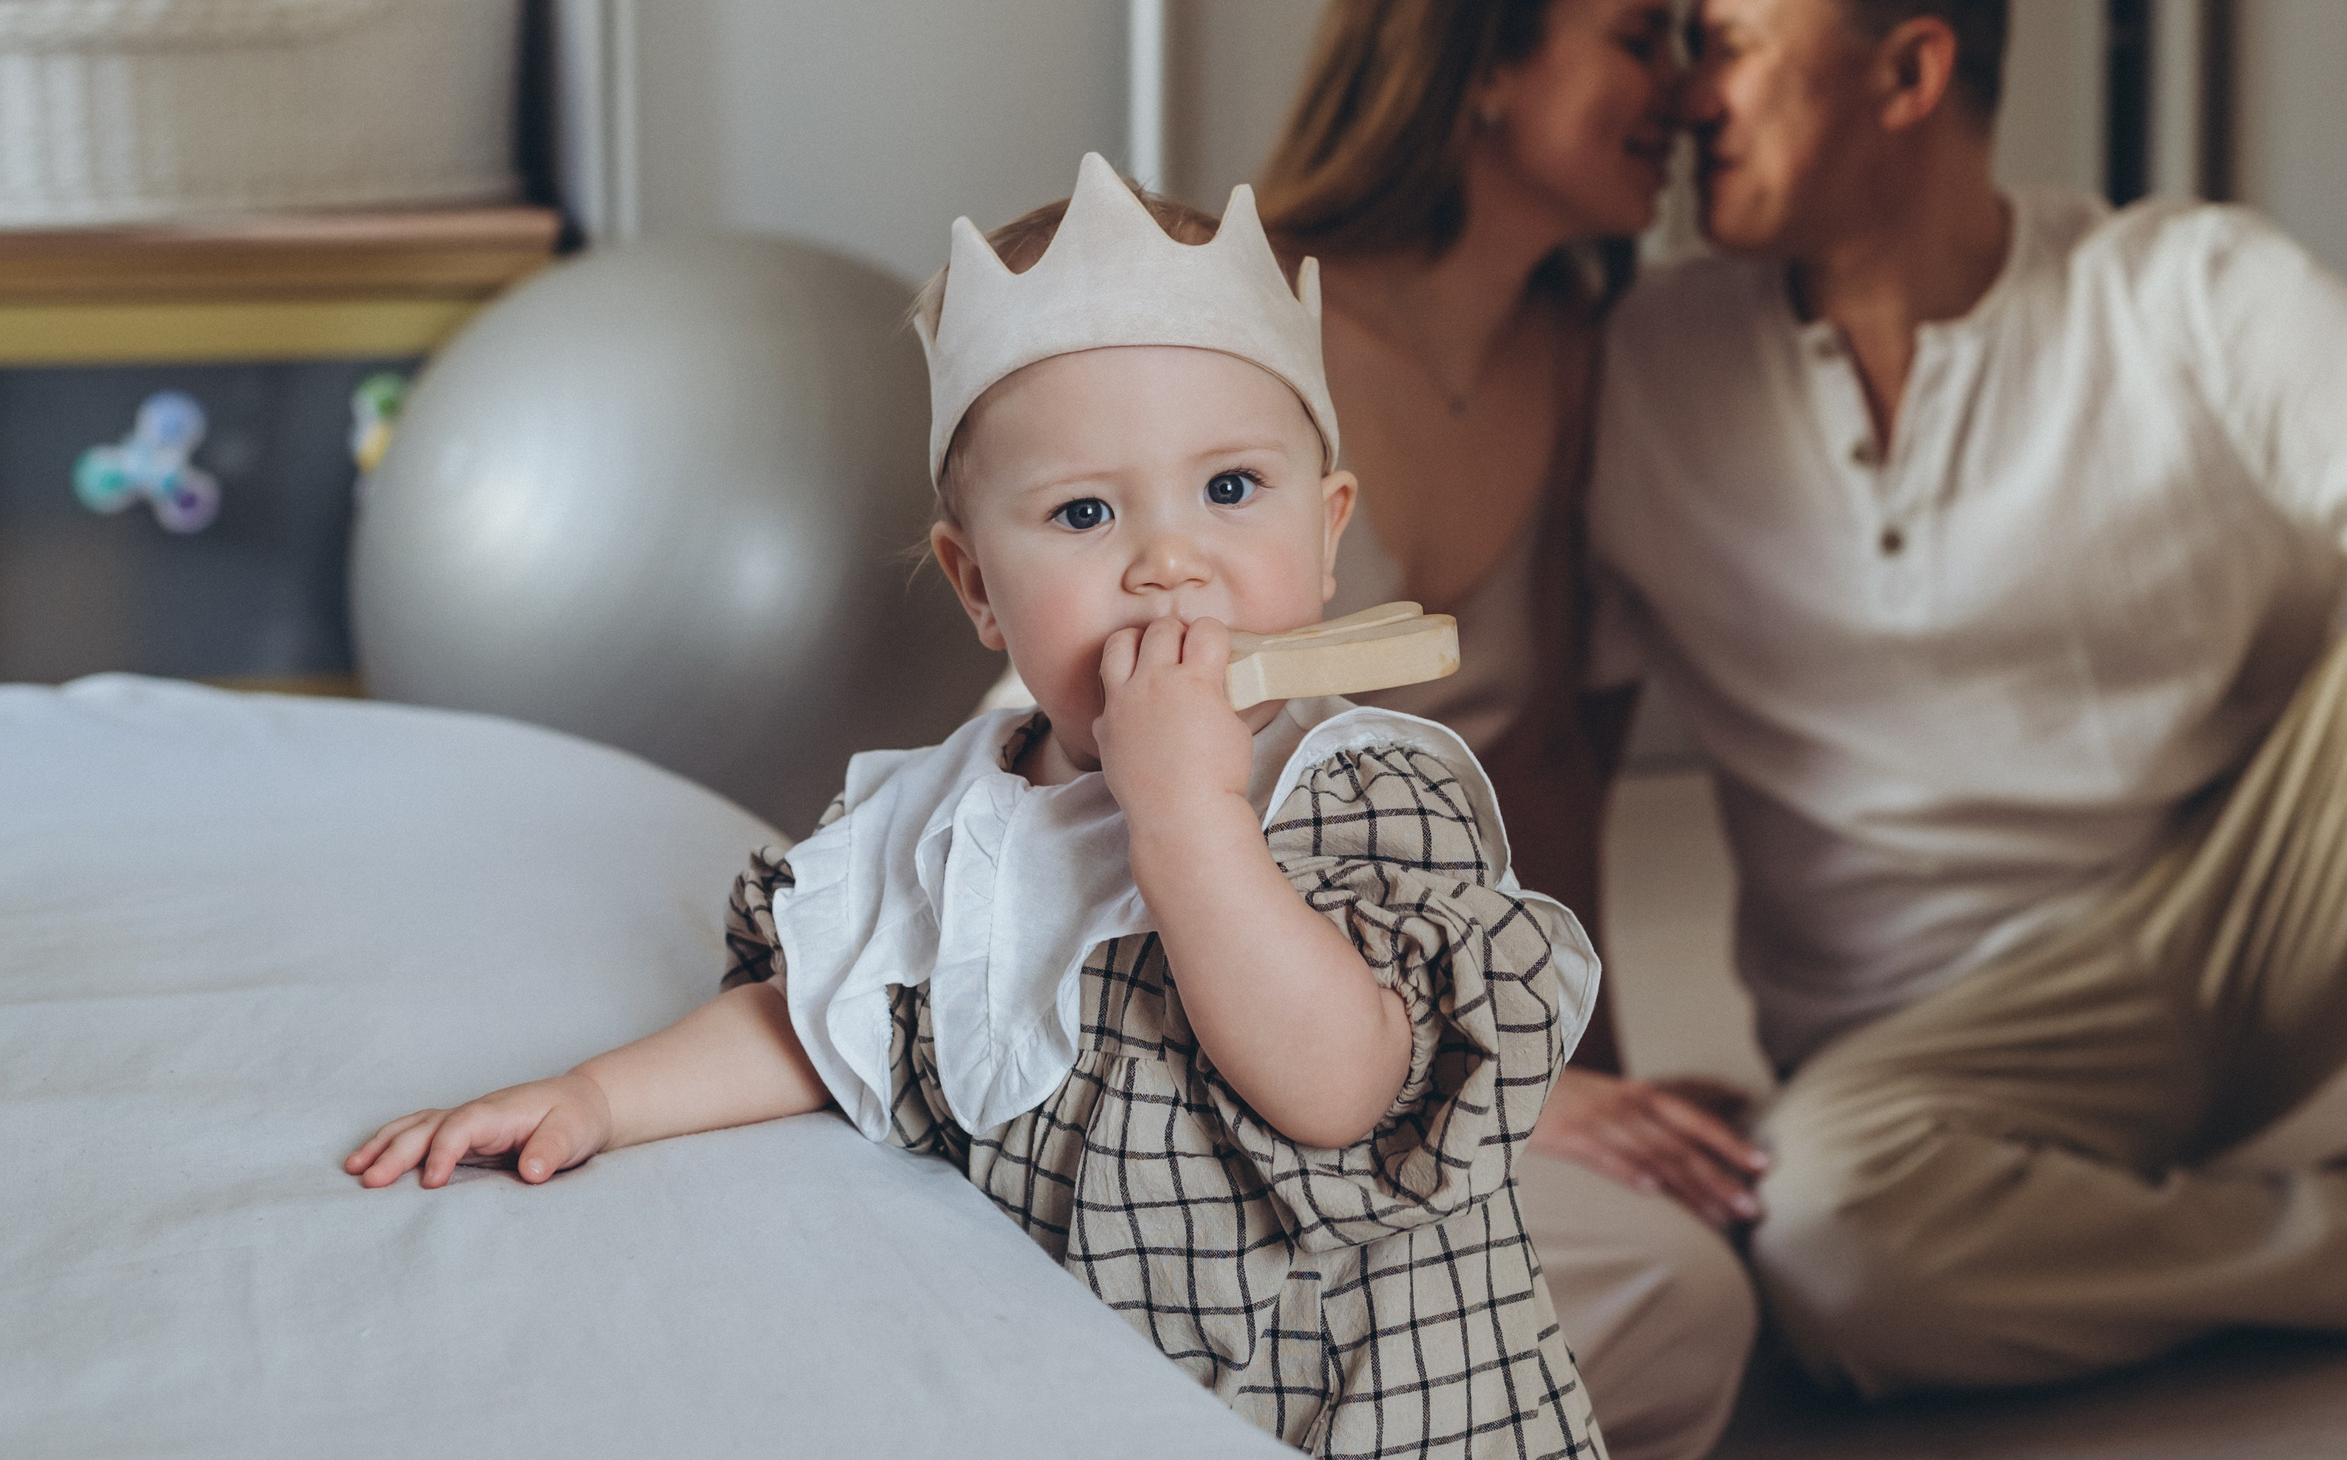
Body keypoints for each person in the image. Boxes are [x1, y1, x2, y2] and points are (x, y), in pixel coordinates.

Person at [347, 154, 1607, 1457]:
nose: (1169, 562)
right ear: (979, 589)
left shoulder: (1359, 794)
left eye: (1231, 490)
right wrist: (598, 1099)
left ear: (1330, 530)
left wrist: (1187, 818)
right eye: (1081, 512)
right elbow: (833, 1026)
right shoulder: (951, 823)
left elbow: (1342, 1087)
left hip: (1390, 1422)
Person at [1589, 0, 2347, 1398]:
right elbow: (1559, 756)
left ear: (1909, 73)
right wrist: (1585, 1090)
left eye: (1734, 47)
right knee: (1835, 1246)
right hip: (1913, 1052)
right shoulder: (1641, 369)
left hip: (2232, 933)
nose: (1692, 97)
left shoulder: (2178, 291)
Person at [1257, 0, 1759, 1454]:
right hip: (1226, 992)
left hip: (1437, 1010)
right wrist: (1494, 1083)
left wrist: (1592, 1089)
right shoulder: (1252, 331)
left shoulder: (1585, 362)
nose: (1687, 91)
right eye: (1641, 37)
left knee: (1713, 1254)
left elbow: (1550, 769)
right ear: (1485, 67)